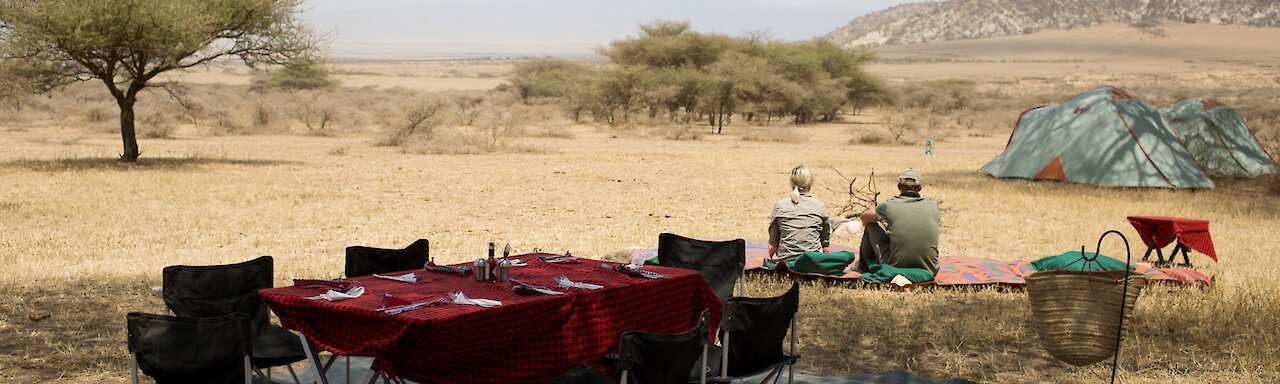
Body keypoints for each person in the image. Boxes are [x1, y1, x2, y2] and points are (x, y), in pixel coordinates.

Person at [858, 168, 940, 275]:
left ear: (899, 186)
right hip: (930, 268)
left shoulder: (890, 205)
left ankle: (863, 267)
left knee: (870, 226)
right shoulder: (932, 205)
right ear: (920, 187)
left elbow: (865, 218)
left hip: (896, 266)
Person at [768, 165, 830, 260]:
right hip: (813, 261)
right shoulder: (819, 207)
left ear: (791, 184)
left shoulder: (780, 206)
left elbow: (773, 242)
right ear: (809, 184)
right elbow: (825, 243)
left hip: (784, 261)